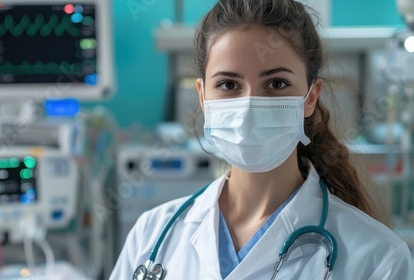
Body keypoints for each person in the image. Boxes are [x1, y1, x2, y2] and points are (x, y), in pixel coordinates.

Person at [110, 0, 413, 279]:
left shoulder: (377, 258)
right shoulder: (151, 235)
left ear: (310, 97)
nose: (249, 107)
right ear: (202, 97)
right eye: (228, 84)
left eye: (276, 83)